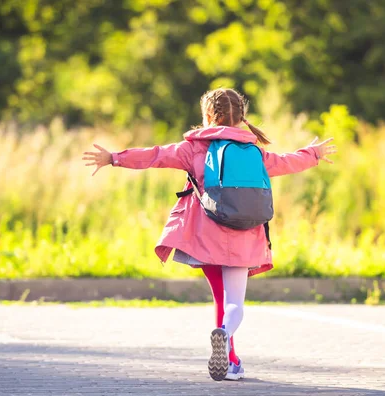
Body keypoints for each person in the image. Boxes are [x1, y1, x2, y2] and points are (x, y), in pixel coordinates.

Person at [82, 88, 336, 381]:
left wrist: (114, 157)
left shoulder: (192, 149)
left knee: (219, 296)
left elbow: (154, 156)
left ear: (207, 117)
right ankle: (226, 343)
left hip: (207, 236)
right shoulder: (255, 152)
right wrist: (313, 153)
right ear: (242, 117)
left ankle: (229, 358)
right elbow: (288, 161)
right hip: (245, 235)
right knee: (234, 304)